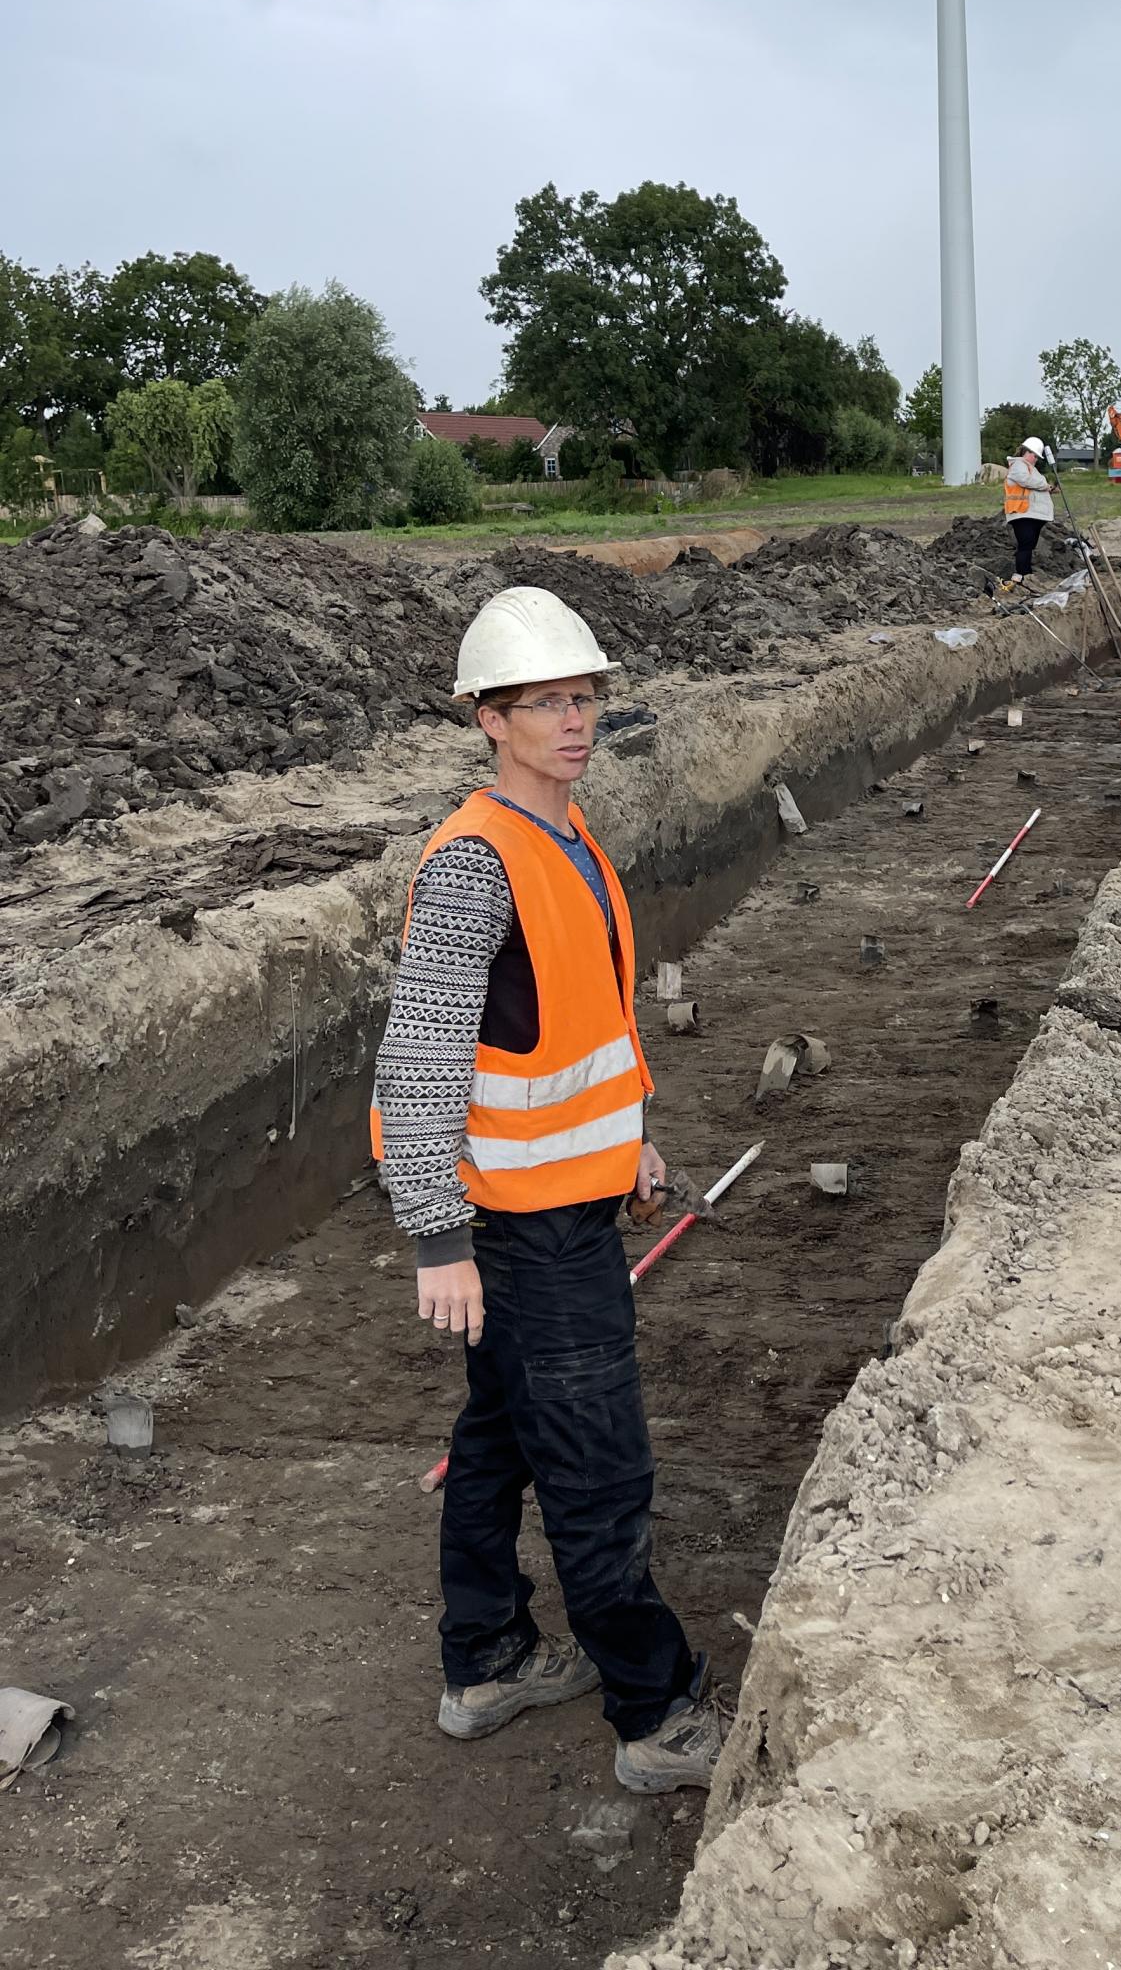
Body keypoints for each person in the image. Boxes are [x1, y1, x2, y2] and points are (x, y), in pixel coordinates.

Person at [371, 584, 722, 1790]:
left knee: (499, 1440)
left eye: (584, 697)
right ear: (488, 718)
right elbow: (416, 1060)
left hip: (571, 1202)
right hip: (523, 1238)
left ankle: (486, 1663)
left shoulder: (565, 839)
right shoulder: (476, 865)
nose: (575, 721)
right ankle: (655, 1713)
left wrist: (630, 1142)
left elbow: (577, 1025)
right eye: (545, 703)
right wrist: (437, 1237)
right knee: (597, 1467)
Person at [1001, 435, 1053, 584]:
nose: (1036, 459)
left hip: (1031, 514)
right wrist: (1045, 486)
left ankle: (1026, 575)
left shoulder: (1031, 469)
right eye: (1035, 456)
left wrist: (1049, 489)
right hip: (1021, 513)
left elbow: (1035, 486)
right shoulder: (1018, 465)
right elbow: (1026, 481)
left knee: (1029, 545)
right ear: (1028, 452)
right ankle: (1022, 575)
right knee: (1025, 544)